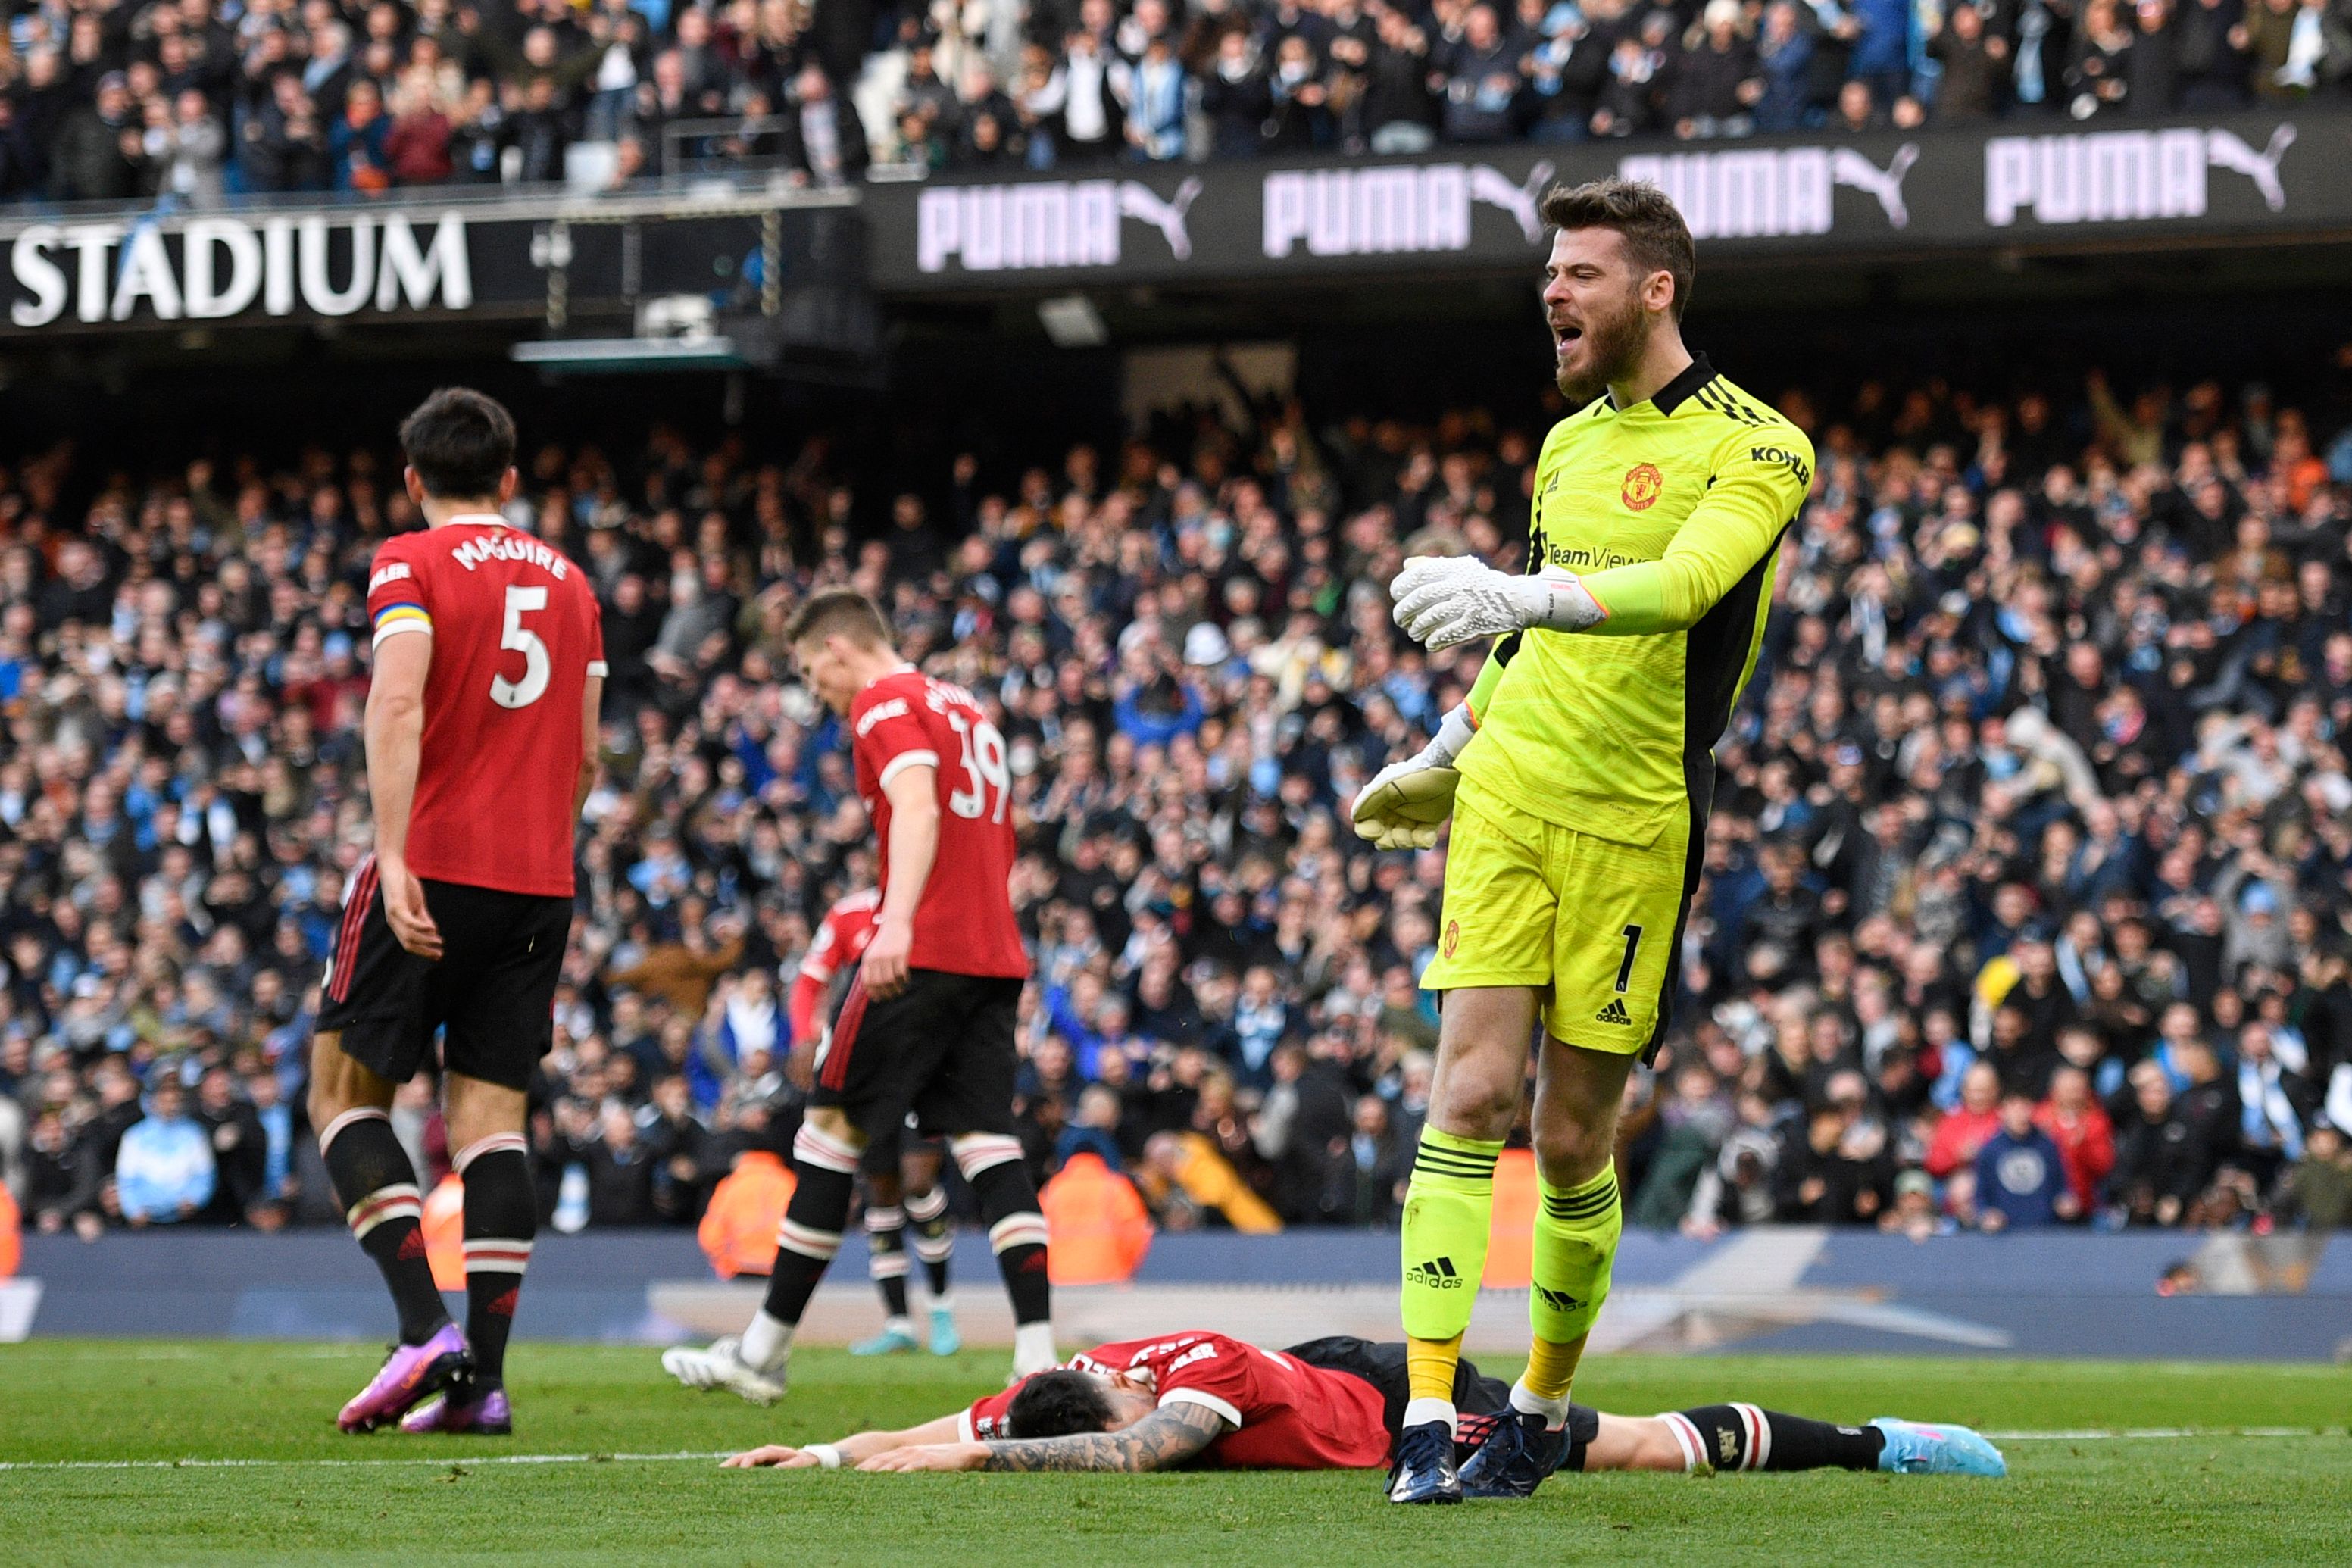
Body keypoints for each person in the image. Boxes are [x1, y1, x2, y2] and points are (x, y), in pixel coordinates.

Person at [1356, 177, 1812, 1504]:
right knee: (1466, 1095)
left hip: (1636, 818)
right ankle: (1430, 1417)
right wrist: (1448, 751)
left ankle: (1540, 1410)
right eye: (1549, 272)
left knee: (1569, 1143)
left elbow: (1681, 590)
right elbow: (1524, 635)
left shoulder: (1763, 446)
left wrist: (1519, 588)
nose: (1553, 293)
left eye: (1582, 275)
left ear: (1655, 290)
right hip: (1509, 790)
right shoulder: (1565, 446)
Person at [663, 590, 1052, 1405]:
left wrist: (897, 923)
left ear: (839, 647)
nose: (816, 690)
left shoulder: (884, 701)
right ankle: (1036, 1355)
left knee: (830, 1132)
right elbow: (999, 830)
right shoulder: (966, 707)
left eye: (811, 670)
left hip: (926, 950)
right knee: (989, 1147)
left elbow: (916, 804)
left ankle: (763, 1350)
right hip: (992, 953)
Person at [308, 388, 606, 1437]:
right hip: (539, 879)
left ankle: (422, 1324)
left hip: (430, 863)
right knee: (490, 1124)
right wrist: (537, 846)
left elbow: (395, 701)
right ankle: (483, 1381)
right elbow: (587, 750)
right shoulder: (572, 582)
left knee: (343, 1094)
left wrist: (394, 854)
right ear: (511, 480)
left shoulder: (409, 561)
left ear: (413, 480)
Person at [717, 1330, 2005, 1481]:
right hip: (1321, 1375)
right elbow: (962, 1420)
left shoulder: (1195, 1373)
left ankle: (1881, 1445)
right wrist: (827, 1452)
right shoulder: (1082, 1374)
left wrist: (959, 1474)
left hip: (1389, 1396)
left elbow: (1137, 1464)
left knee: (1624, 1450)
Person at [789, 885, 961, 1357]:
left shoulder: (935, 907)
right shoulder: (848, 914)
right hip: (866, 1070)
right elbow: (809, 980)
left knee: (918, 1183)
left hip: (924, 1068)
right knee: (880, 1191)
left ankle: (942, 1309)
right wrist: (805, 1039)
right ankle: (899, 1322)